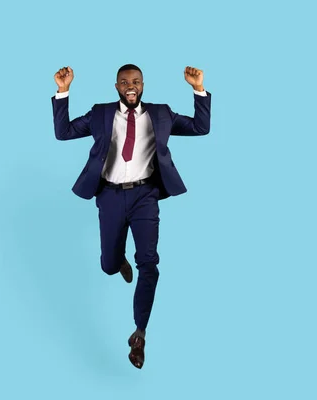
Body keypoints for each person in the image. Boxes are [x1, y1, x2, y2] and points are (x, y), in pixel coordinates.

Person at [51, 64, 211, 369]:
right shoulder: (100, 113)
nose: (131, 86)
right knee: (108, 265)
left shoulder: (161, 114)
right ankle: (117, 261)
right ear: (116, 87)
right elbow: (64, 133)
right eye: (124, 82)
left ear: (143, 85)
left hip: (145, 197)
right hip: (109, 196)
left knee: (149, 263)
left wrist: (198, 88)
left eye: (136, 81)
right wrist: (63, 91)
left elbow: (200, 127)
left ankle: (139, 334)